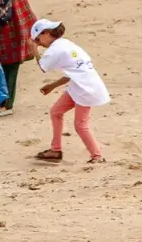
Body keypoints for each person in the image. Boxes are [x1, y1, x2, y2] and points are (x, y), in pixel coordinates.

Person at [29, 20, 109, 164]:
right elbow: (73, 71)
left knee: (80, 125)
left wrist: (33, 49)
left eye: (38, 39)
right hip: (78, 86)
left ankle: (97, 156)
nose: (39, 43)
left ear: (46, 33)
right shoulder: (66, 44)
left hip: (85, 89)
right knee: (56, 112)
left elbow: (43, 66)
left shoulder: (55, 49)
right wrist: (53, 85)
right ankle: (55, 150)